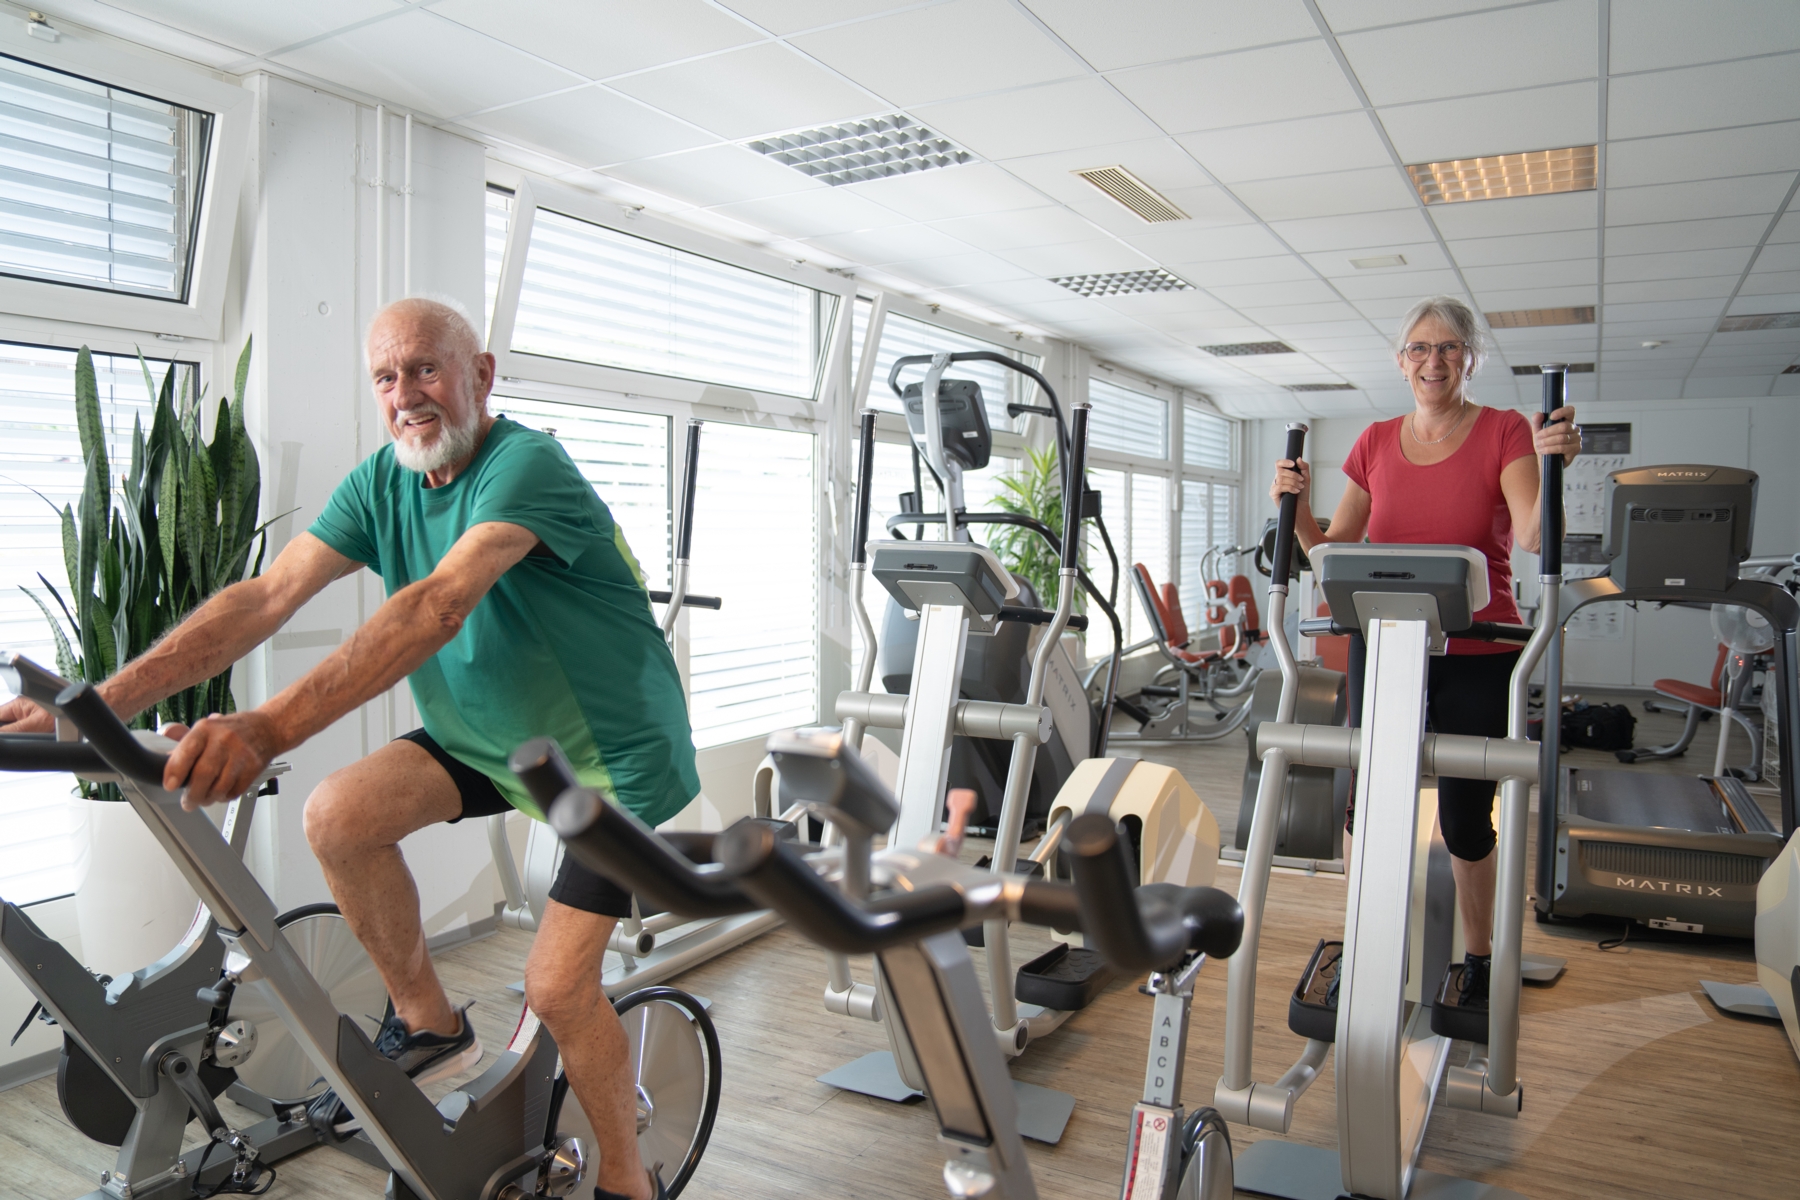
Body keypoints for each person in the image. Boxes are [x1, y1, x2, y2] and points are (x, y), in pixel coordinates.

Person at [0, 296, 689, 1200]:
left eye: (428, 370)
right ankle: (431, 1024)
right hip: (486, 744)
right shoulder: (381, 482)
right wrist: (97, 702)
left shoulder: (525, 464)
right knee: (339, 816)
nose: (408, 394)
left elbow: (437, 605)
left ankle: (629, 1178)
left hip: (610, 764)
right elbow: (265, 598)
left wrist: (269, 727)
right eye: (386, 377)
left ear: (480, 376)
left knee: (557, 988)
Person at [1269, 294, 1579, 1008]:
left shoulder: (1503, 431)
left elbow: (1532, 534)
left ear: (1470, 359)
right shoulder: (1374, 442)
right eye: (1418, 348)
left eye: (1447, 349)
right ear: (1400, 359)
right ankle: (1360, 941)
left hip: (1478, 649)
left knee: (1466, 816)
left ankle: (1478, 960)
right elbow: (1334, 553)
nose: (1432, 361)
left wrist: (1553, 462)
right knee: (1365, 806)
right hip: (1388, 644)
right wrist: (1299, 508)